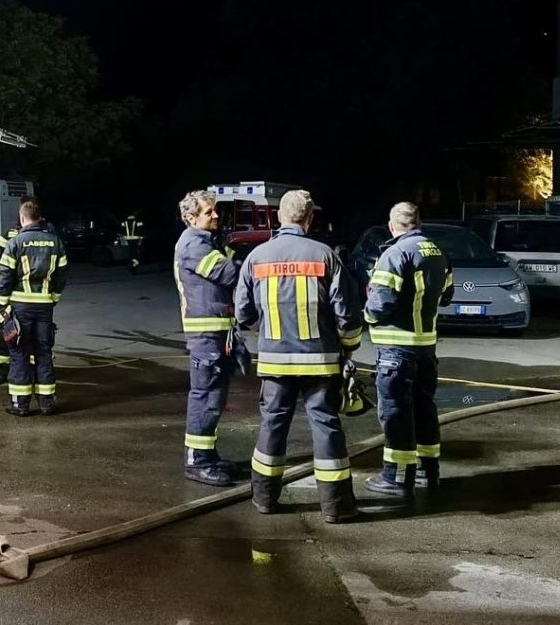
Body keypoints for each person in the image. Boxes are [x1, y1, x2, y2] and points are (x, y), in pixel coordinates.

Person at [235, 189, 364, 522]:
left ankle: (264, 499)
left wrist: (266, 332)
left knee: (272, 425)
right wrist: (348, 346)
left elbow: (243, 312)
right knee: (326, 425)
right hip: (321, 362)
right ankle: (336, 507)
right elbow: (347, 314)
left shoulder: (256, 257)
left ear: (280, 217)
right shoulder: (325, 256)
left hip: (274, 362)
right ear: (309, 218)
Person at [362, 201, 453, 498]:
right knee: (425, 410)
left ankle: (397, 478)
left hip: (396, 350)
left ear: (391, 225)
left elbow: (380, 304)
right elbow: (447, 295)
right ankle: (429, 472)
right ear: (418, 223)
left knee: (396, 413)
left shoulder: (394, 253)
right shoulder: (437, 251)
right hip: (426, 348)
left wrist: (366, 315)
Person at [173, 190, 247, 486]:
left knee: (214, 397)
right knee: (205, 397)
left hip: (217, 333)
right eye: (209, 212)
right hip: (205, 336)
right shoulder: (193, 245)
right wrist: (257, 264)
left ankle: (207, 455)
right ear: (191, 218)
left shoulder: (205, 242)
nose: (216, 215)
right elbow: (229, 274)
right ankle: (197, 461)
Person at [0, 199, 68, 416]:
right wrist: (53, 298)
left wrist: (3, 304)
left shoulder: (15, 242)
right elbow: (62, 275)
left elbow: (5, 276)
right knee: (43, 352)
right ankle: (47, 403)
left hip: (20, 306)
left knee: (19, 353)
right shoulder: (55, 242)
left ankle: (20, 405)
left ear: (22, 218)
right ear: (40, 217)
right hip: (44, 306)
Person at [0, 224, 20, 385]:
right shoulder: (9, 235)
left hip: (20, 294)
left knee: (11, 330)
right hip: (13, 293)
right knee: (5, 330)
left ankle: (6, 371)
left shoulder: (39, 235)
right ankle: (2, 369)